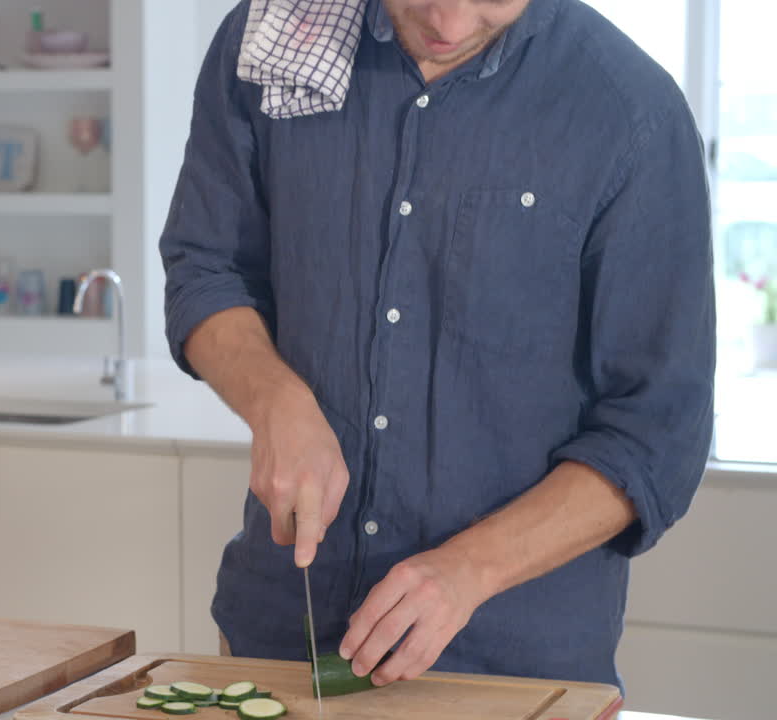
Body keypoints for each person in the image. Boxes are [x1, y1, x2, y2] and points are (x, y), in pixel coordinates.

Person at [159, 0, 715, 690]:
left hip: (510, 671)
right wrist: (274, 399)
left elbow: (657, 433)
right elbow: (205, 269)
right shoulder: (272, 39)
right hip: (275, 638)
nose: (447, 24)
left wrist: (469, 569)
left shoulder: (631, 113)